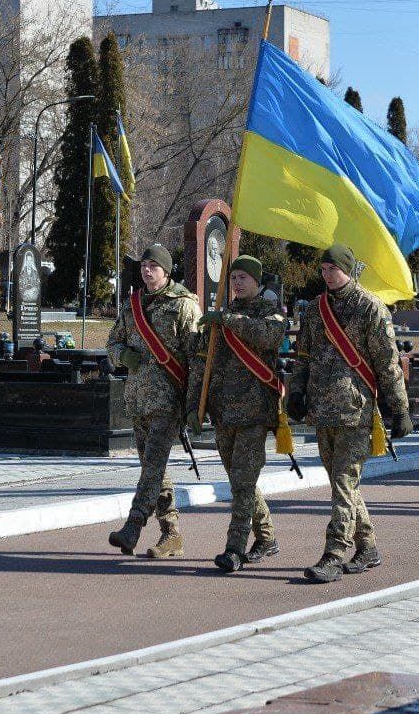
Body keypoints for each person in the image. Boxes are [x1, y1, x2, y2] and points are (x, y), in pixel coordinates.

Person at [287, 244, 411, 583]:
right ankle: (368, 546)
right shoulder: (315, 309)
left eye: (333, 269)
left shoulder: (370, 308)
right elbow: (304, 356)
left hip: (356, 410)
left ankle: (334, 553)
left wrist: (399, 408)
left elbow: (387, 363)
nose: (327, 275)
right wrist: (295, 392)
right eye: (323, 269)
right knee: (344, 485)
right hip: (322, 409)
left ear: (348, 270)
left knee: (343, 482)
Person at [186, 255, 285, 572]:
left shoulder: (269, 312)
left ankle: (234, 548)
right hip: (223, 412)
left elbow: (270, 337)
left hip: (254, 412)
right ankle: (266, 538)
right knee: (241, 481)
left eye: (244, 277)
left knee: (242, 483)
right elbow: (202, 363)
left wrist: (229, 321)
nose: (238, 283)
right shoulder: (221, 315)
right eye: (234, 278)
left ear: (256, 281)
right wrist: (193, 406)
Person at [106, 244, 200, 558]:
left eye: (153, 266)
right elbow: (113, 340)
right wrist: (122, 356)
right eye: (144, 266)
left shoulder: (183, 305)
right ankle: (171, 534)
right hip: (138, 399)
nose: (147, 271)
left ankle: (133, 526)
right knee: (153, 468)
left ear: (166, 271)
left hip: (168, 400)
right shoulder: (132, 304)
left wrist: (193, 403)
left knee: (153, 467)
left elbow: (197, 357)